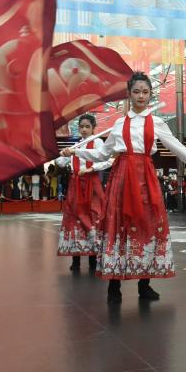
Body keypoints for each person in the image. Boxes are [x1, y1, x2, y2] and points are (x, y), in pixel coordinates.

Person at [63, 73, 186, 304]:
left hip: (146, 178)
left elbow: (176, 146)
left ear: (150, 95)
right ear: (129, 94)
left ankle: (144, 284)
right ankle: (114, 286)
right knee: (118, 225)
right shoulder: (119, 124)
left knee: (148, 225)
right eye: (137, 91)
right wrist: (75, 151)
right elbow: (103, 154)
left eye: (145, 92)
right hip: (121, 178)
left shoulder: (156, 122)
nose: (141, 96)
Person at [56, 114, 111, 271]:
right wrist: (62, 154)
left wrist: (91, 168)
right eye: (81, 127)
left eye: (87, 126)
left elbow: (107, 161)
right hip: (75, 186)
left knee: (94, 218)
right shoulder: (77, 144)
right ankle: (76, 260)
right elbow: (60, 162)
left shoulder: (98, 142)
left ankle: (94, 258)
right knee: (75, 219)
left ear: (94, 128)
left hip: (92, 185)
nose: (84, 129)